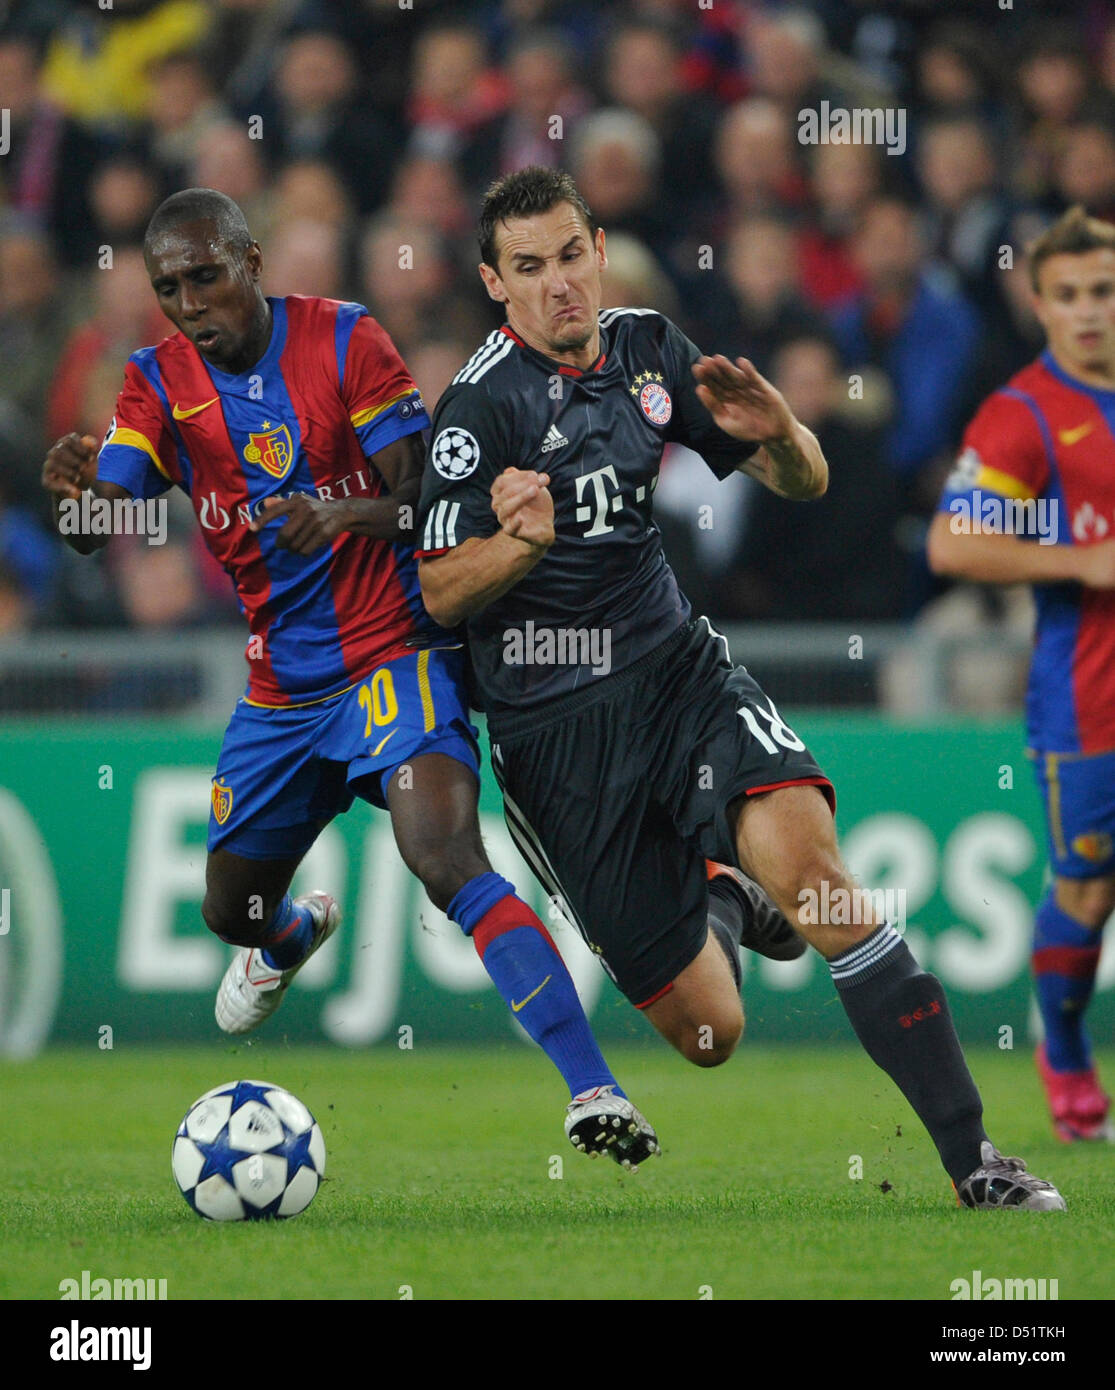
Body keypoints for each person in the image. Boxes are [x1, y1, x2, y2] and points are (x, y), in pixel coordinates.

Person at [416, 165, 1066, 1210]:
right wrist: (515, 547)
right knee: (710, 1033)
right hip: (555, 735)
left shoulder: (648, 349)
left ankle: (974, 1160)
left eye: (570, 255)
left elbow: (797, 481)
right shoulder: (473, 411)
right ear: (496, 284)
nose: (557, 286)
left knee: (816, 875)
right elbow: (439, 591)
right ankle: (725, 894)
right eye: (527, 268)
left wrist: (783, 435)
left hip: (677, 670)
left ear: (597, 248)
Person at [41, 186, 656, 1170]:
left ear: (250, 260)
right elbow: (107, 522)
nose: (190, 301)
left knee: (445, 858)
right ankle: (283, 939)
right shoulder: (155, 382)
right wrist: (77, 502)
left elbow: (425, 500)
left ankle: (593, 1090)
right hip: (280, 691)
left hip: (393, 656)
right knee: (228, 911)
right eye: (169, 287)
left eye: (205, 275)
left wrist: (342, 517)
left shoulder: (341, 341)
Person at [929, 204, 1115, 1143]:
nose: (1089, 312)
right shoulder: (1025, 415)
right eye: (1069, 296)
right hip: (1089, 703)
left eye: (1104, 292)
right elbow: (953, 540)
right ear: (1040, 305)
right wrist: (1077, 562)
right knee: (1086, 892)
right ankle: (1067, 1051)